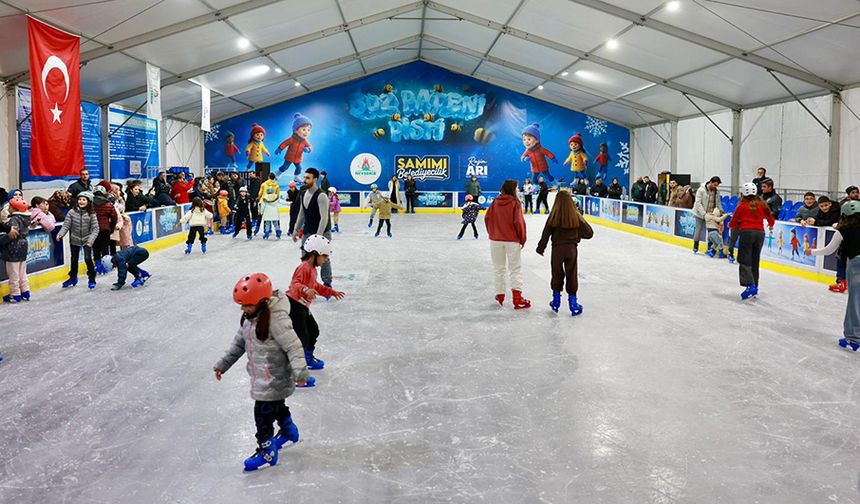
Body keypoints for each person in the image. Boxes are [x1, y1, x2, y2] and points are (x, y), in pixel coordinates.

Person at [214, 273, 311, 471]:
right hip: (262, 378)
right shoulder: (250, 319)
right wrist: (222, 365)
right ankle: (290, 432)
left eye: (247, 305)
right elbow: (237, 345)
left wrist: (300, 373)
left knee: (263, 416)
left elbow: (293, 346)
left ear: (262, 302)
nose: (243, 309)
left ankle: (267, 451)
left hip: (274, 379)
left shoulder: (276, 319)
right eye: (242, 305)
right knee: (277, 407)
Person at [287, 235, 345, 372]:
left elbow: (316, 286)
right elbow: (295, 284)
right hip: (294, 305)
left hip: (303, 306)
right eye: (324, 256)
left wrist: (331, 292)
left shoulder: (312, 269)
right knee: (302, 337)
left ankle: (307, 358)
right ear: (314, 254)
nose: (325, 260)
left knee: (313, 330)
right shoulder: (304, 267)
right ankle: (296, 366)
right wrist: (305, 289)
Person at [808, 201, 860, 351]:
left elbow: (828, 250)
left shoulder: (843, 230)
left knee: (855, 301)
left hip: (856, 263)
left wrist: (812, 252)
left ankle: (854, 338)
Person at [535, 190, 593, 316]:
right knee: (571, 274)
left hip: (557, 250)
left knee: (556, 273)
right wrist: (578, 234)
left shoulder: (554, 215)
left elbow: (546, 233)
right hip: (571, 249)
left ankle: (556, 302)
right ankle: (573, 304)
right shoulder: (576, 215)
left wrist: (541, 248)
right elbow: (589, 233)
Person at [484, 180, 530, 309]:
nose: (517, 190)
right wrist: (522, 239)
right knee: (515, 268)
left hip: (495, 240)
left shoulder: (495, 202)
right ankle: (517, 298)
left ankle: (500, 295)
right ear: (512, 189)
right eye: (516, 188)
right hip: (511, 240)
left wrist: (492, 233)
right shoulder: (515, 203)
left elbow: (487, 218)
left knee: (499, 268)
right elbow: (519, 222)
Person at [729, 182, 774, 300]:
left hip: (746, 233)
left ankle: (750, 285)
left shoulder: (741, 206)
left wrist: (729, 224)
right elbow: (771, 218)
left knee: (744, 259)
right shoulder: (762, 204)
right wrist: (771, 225)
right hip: (760, 234)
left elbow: (733, 222)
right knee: (755, 260)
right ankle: (755, 286)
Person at [293, 168, 332, 287]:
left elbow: (324, 218)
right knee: (305, 259)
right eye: (304, 177)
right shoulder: (303, 193)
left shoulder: (321, 196)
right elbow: (301, 213)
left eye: (308, 178)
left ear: (315, 179)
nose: (305, 180)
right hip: (308, 231)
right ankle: (307, 283)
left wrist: (318, 237)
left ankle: (327, 283)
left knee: (322, 259)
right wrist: (296, 229)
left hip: (322, 232)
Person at [57, 191, 100, 289]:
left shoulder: (92, 214)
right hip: (74, 239)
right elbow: (66, 225)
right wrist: (60, 234)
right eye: (80, 199)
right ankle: (73, 277)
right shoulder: (72, 212)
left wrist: (90, 241)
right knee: (74, 259)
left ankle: (92, 278)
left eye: (84, 200)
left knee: (87, 258)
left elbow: (95, 229)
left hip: (87, 239)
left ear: (89, 202)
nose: (81, 201)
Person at [2, 198, 31, 303]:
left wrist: (2, 240)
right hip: (23, 246)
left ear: (15, 209)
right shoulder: (26, 218)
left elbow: (13, 234)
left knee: (13, 272)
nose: (8, 209)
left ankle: (15, 294)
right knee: (22, 271)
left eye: (10, 207)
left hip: (13, 248)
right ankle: (25, 291)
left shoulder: (14, 219)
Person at [692, 176, 723, 254]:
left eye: (717, 185)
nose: (716, 187)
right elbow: (698, 203)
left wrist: (720, 209)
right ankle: (696, 245)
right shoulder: (701, 190)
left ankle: (710, 247)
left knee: (711, 231)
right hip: (700, 213)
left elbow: (718, 202)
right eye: (715, 184)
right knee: (698, 229)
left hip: (711, 214)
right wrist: (703, 213)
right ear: (711, 182)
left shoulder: (716, 191)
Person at [92, 185, 118, 273]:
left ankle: (98, 265)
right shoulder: (109, 204)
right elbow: (114, 217)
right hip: (105, 229)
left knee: (95, 247)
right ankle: (106, 265)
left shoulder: (90, 204)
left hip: (93, 229)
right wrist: (111, 228)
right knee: (105, 247)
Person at [259, 173, 282, 240]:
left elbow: (260, 194)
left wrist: (261, 212)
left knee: (267, 223)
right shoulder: (276, 185)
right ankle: (278, 233)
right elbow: (278, 197)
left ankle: (266, 234)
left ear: (268, 177)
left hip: (266, 211)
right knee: (276, 223)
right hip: (274, 211)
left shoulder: (263, 184)